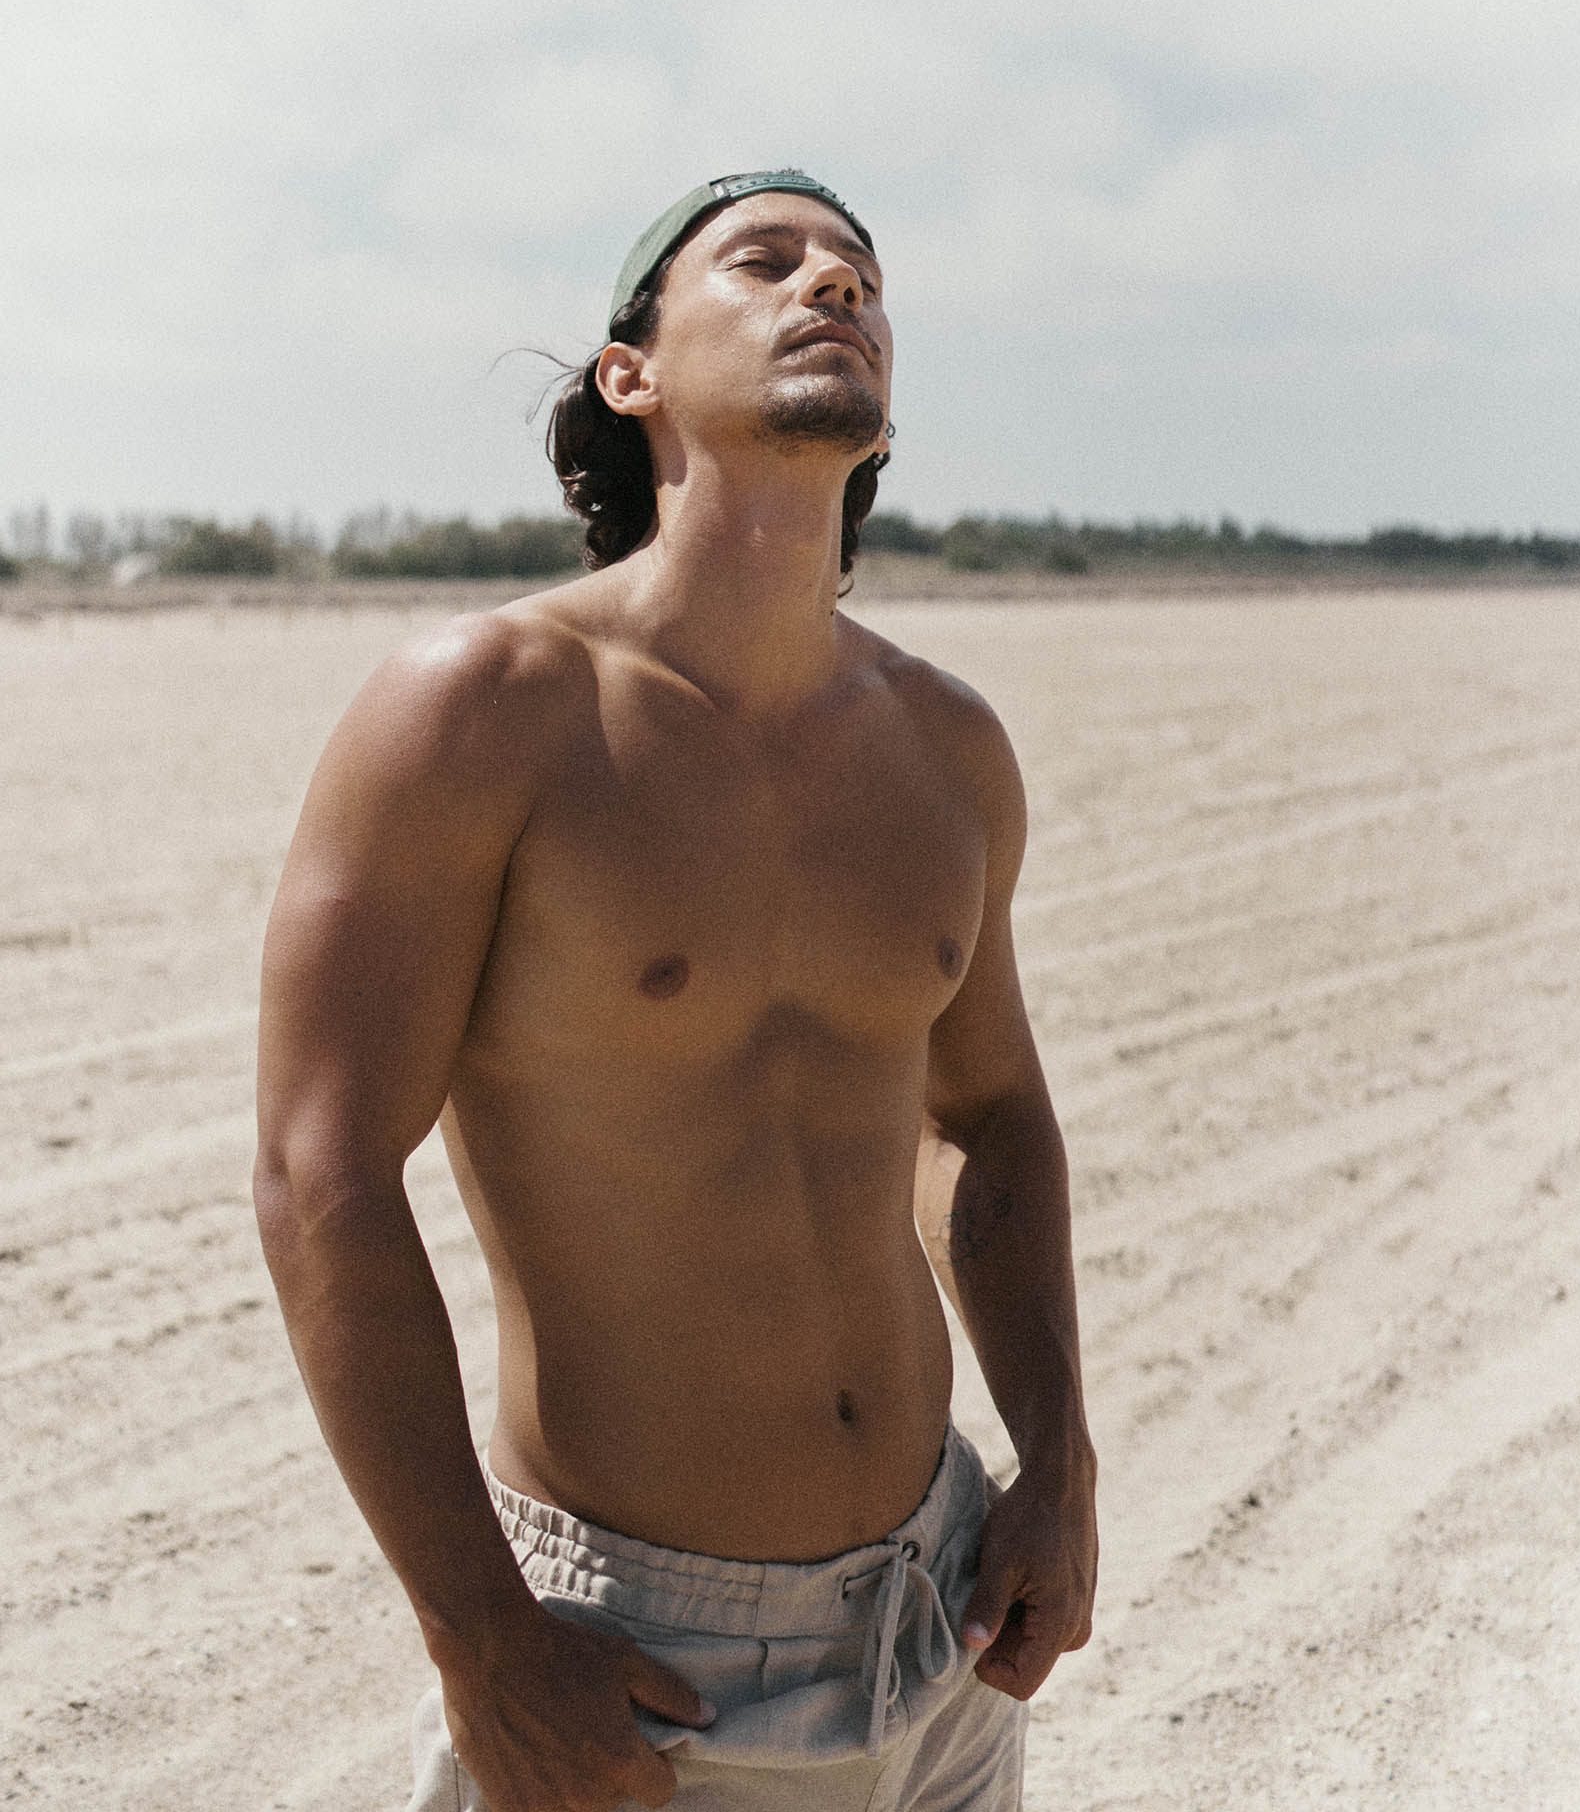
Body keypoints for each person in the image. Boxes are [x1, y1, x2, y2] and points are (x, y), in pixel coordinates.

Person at [254, 169, 1097, 1812]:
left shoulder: (945, 749)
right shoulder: (481, 712)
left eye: (858, 271)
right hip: (644, 1667)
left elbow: (986, 1119)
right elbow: (319, 1177)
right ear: (628, 374)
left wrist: (1055, 1461)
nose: (832, 284)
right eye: (766, 262)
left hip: (943, 1620)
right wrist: (482, 1641)